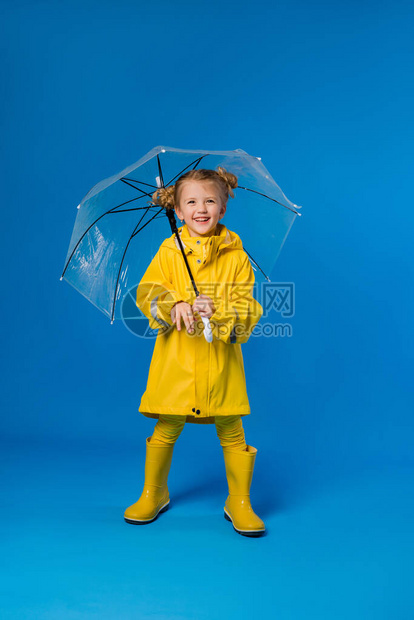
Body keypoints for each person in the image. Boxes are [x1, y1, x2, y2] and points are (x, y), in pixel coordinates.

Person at [124, 166, 265, 536]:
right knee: (168, 423)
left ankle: (239, 501)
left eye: (209, 201)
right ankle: (154, 492)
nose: (200, 209)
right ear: (179, 210)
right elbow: (148, 290)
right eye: (191, 202)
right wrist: (173, 305)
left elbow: (248, 306)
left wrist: (218, 311)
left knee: (231, 428)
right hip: (176, 361)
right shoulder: (169, 250)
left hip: (220, 361)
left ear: (222, 208)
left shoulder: (236, 256)